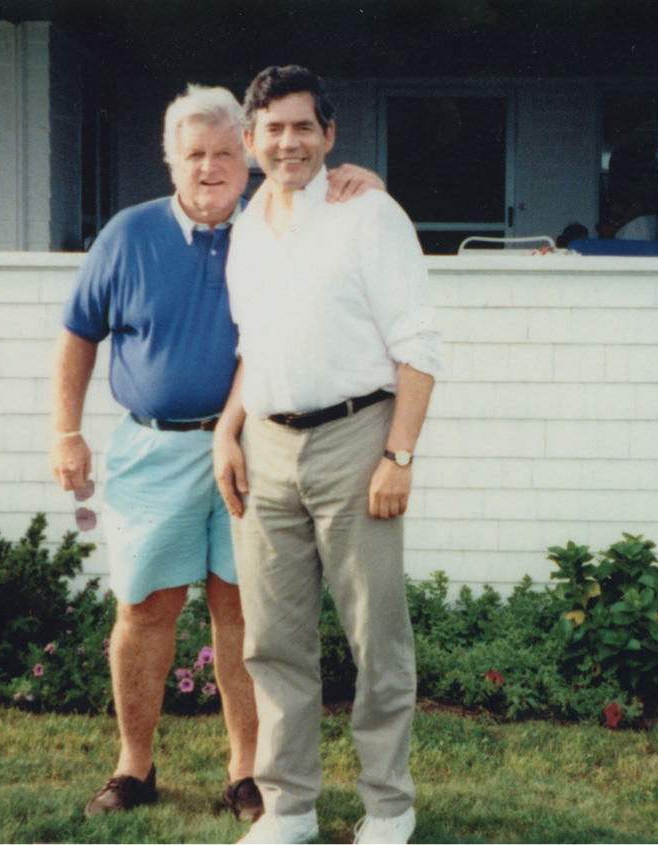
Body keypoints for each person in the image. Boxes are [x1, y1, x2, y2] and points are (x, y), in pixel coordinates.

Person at [50, 82, 381, 824]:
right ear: (171, 161)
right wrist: (65, 431)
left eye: (226, 152)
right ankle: (133, 767)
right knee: (145, 610)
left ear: (249, 160)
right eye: (194, 154)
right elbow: (78, 333)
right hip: (152, 449)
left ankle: (247, 774)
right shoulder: (128, 235)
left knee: (246, 615)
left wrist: (368, 177)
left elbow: (340, 209)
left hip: (253, 447)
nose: (210, 167)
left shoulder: (273, 225)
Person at [213, 65, 442, 845]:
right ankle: (291, 810)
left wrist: (398, 456)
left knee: (375, 635)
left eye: (303, 127)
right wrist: (227, 429)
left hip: (356, 439)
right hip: (265, 445)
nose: (289, 142)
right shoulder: (245, 230)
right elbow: (255, 346)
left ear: (329, 136)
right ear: (251, 141)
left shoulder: (368, 214)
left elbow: (419, 347)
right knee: (272, 641)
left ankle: (388, 808)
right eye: (273, 129)